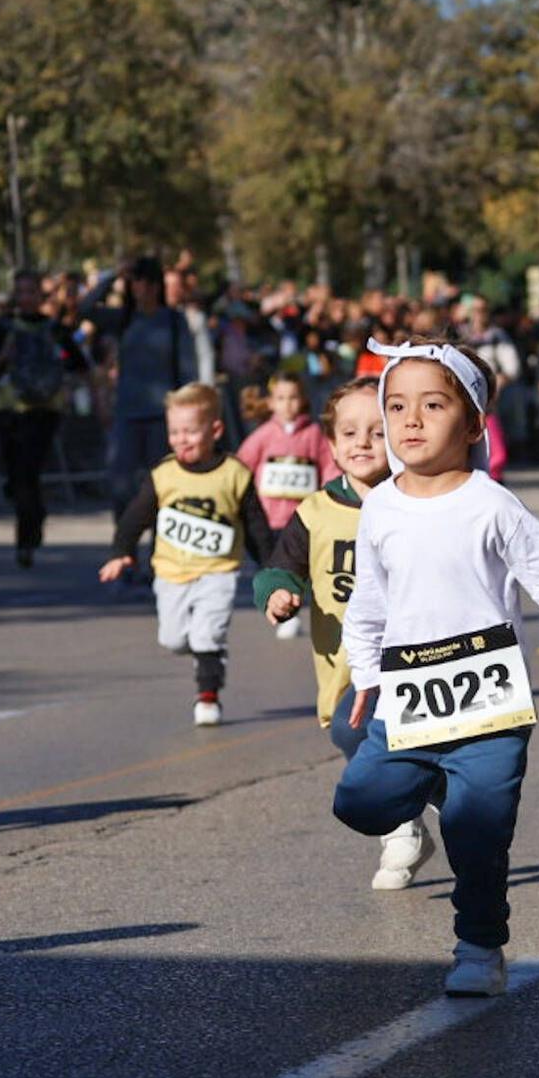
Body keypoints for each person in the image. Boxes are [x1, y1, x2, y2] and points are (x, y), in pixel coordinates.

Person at [334, 341, 539, 998]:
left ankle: (478, 945)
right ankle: (444, 790)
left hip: (491, 707)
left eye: (432, 405)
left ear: (473, 425)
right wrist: (365, 672)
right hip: (409, 700)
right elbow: (370, 599)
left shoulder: (492, 505)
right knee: (358, 801)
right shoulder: (381, 505)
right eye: (396, 406)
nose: (409, 421)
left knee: (479, 835)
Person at [253, 375, 440, 890]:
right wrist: (277, 593)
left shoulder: (419, 500)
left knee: (351, 729)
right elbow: (280, 566)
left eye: (378, 432)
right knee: (358, 733)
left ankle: (403, 824)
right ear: (331, 445)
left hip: (413, 656)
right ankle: (408, 823)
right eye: (350, 433)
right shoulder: (314, 512)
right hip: (343, 660)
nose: (362, 443)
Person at [99, 383, 274, 727]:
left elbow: (256, 527)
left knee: (207, 634)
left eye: (191, 432)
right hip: (171, 572)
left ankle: (208, 695)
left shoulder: (234, 474)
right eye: (174, 432)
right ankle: (202, 654)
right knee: (174, 639)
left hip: (218, 571)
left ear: (216, 430)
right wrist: (121, 551)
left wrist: (271, 571)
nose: (181, 439)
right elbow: (136, 516)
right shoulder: (164, 475)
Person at [82, 256, 203, 523]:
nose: (143, 289)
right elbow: (86, 308)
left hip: (163, 417)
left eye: (149, 283)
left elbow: (187, 368)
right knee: (120, 485)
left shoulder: (173, 321)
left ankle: (159, 552)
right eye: (137, 282)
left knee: (163, 487)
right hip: (127, 414)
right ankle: (125, 548)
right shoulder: (123, 318)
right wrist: (113, 276)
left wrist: (189, 410)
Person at [0, 271, 81, 570]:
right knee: (14, 476)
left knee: (28, 472)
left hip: (44, 410)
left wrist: (64, 380)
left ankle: (26, 537)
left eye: (31, 292)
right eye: (21, 292)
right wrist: (3, 356)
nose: (26, 298)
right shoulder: (3, 328)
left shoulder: (54, 330)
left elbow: (77, 362)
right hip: (10, 408)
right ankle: (33, 517)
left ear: (41, 296)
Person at [236, 371, 336, 639]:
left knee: (304, 568)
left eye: (293, 397)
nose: (287, 404)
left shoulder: (314, 434)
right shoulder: (263, 435)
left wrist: (329, 493)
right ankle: (282, 611)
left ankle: (298, 608)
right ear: (270, 403)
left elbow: (328, 466)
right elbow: (242, 466)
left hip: (302, 519)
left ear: (302, 400)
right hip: (268, 519)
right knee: (276, 567)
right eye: (281, 398)